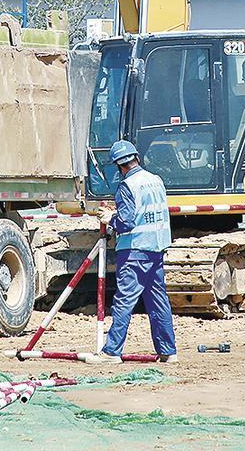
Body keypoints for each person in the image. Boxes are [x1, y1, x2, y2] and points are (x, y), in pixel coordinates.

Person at [97, 139, 177, 362]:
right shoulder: (155, 180)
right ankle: (168, 352)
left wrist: (111, 218)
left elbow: (127, 222)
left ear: (119, 166)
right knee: (158, 301)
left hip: (134, 251)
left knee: (124, 301)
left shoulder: (127, 186)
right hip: (156, 249)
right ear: (137, 158)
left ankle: (112, 351)